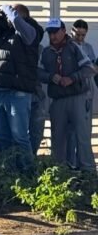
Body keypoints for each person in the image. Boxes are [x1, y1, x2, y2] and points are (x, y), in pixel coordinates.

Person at [0, 3, 43, 173]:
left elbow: (20, 24)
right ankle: (11, 175)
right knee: (3, 137)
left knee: (20, 137)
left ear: (19, 16)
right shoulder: (4, 35)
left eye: (6, 17)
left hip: (18, 93)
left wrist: (6, 9)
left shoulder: (31, 31)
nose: (3, 19)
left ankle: (28, 174)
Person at [38, 18, 95, 172]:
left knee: (82, 136)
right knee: (58, 138)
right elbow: (39, 72)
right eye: (50, 33)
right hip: (57, 100)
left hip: (77, 96)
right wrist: (51, 77)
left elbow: (89, 69)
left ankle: (88, 171)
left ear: (63, 31)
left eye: (55, 32)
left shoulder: (74, 48)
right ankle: (60, 171)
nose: (52, 36)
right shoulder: (46, 52)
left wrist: (72, 78)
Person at [68, 19, 96, 167]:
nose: (79, 38)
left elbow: (93, 68)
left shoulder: (88, 47)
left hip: (88, 91)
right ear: (71, 31)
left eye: (82, 35)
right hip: (72, 90)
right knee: (70, 130)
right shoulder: (67, 46)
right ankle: (71, 162)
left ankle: (83, 162)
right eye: (77, 34)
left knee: (85, 128)